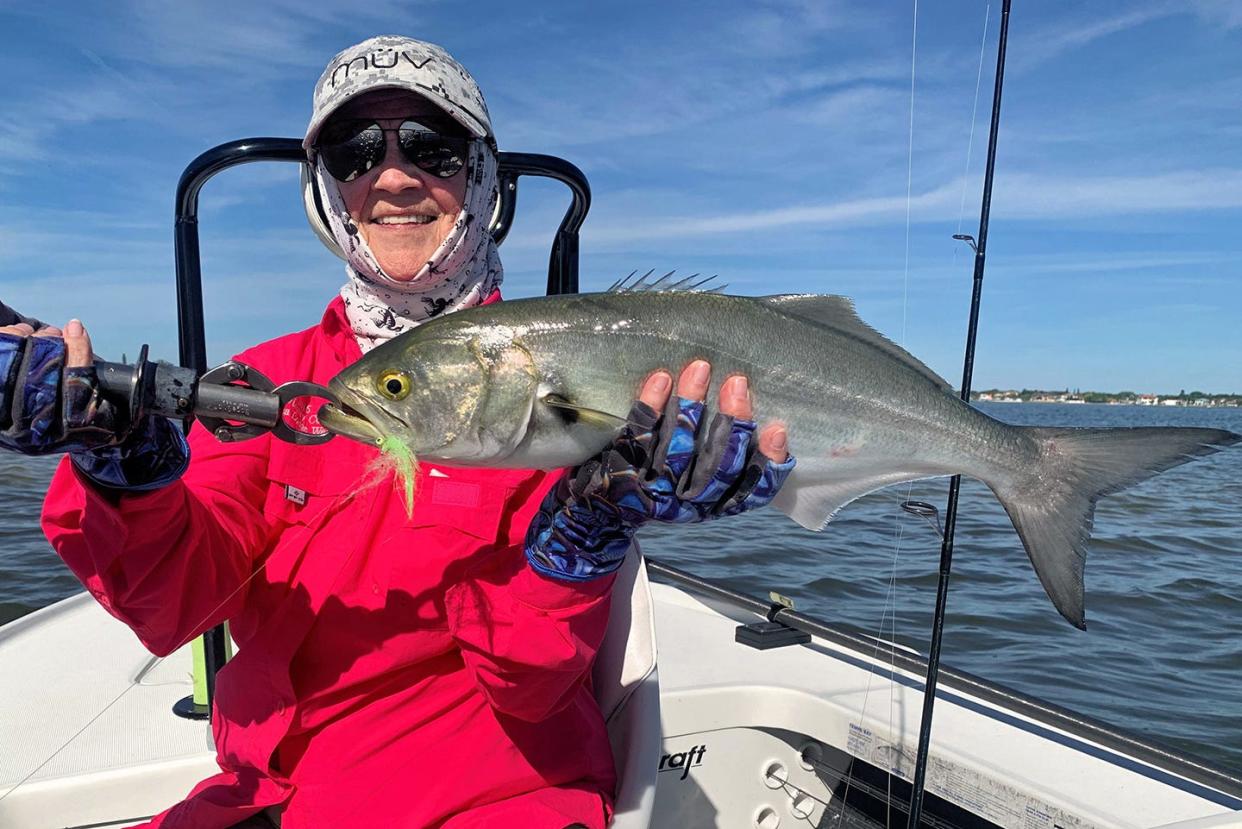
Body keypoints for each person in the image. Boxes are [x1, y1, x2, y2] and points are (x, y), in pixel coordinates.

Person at [0, 36, 793, 828]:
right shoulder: (261, 382)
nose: (392, 176)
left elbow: (532, 682)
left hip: (497, 794)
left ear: (482, 178)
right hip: (263, 788)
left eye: (431, 146)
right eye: (351, 152)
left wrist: (584, 536)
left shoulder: (554, 388)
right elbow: (175, 605)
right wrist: (121, 462)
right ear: (325, 192)